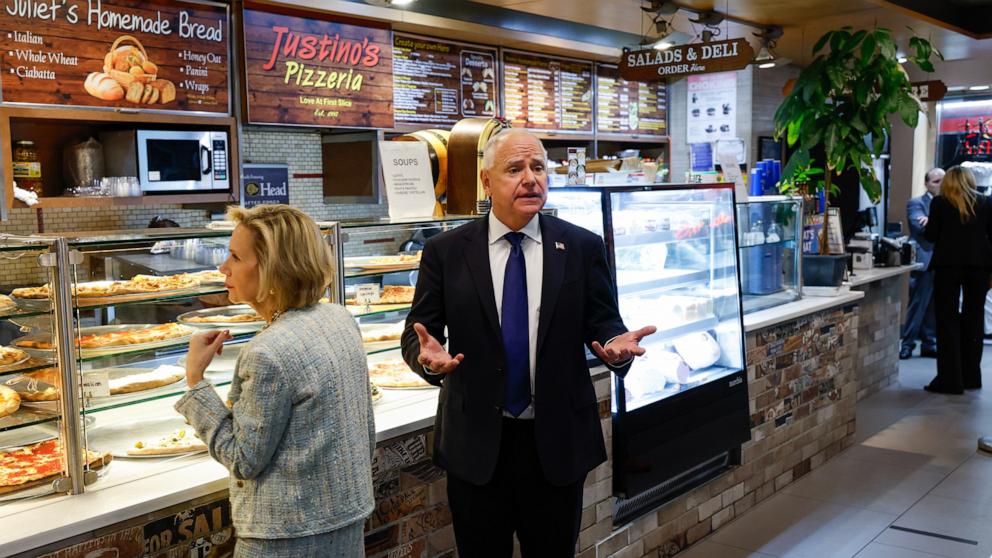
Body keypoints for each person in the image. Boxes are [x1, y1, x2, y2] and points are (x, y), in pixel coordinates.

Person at [400, 129, 656, 557]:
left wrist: (616, 348)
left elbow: (606, 322)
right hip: (477, 445)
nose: (530, 178)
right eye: (515, 169)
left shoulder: (580, 246)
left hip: (555, 444)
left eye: (538, 167)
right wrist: (427, 360)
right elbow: (418, 333)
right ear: (487, 182)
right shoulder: (445, 252)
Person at [175, 204, 375, 557]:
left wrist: (195, 381)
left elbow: (243, 458)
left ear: (272, 268)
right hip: (346, 518)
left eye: (236, 257)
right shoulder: (340, 318)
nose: (224, 268)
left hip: (287, 535)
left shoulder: (267, 350)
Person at [923, 166, 992, 394]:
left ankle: (950, 380)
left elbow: (931, 236)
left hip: (947, 266)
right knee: (975, 318)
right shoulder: (985, 203)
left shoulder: (940, 204)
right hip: (979, 267)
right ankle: (972, 376)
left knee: (947, 320)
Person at [900, 168, 943, 360]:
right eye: (935, 181)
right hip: (924, 260)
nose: (940, 185)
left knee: (934, 306)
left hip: (941, 260)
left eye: (942, 180)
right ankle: (907, 344)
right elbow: (920, 228)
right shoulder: (916, 203)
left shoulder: (947, 204)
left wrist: (932, 221)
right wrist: (939, 223)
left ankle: (929, 344)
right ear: (926, 183)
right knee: (917, 305)